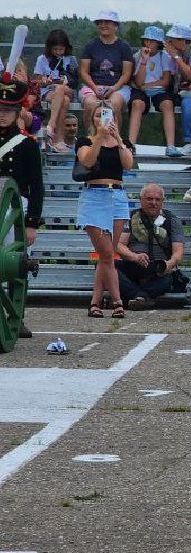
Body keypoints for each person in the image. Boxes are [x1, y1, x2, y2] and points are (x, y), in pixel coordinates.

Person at [75, 109, 135, 317]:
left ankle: (95, 302)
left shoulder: (122, 142)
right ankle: (118, 301)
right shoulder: (85, 141)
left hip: (117, 195)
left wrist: (117, 138)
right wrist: (100, 137)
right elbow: (88, 161)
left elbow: (128, 164)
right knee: (107, 253)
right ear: (92, 119)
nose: (103, 118)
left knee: (106, 255)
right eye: (98, 115)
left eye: (107, 114)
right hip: (94, 195)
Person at [0, 73, 42, 336]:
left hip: (12, 210)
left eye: (7, 111)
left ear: (18, 113)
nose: (2, 115)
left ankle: (16, 313)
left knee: (11, 263)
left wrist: (31, 223)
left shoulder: (27, 145)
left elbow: (37, 186)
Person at [115, 183, 185, 308]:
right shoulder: (130, 218)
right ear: (140, 200)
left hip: (158, 269)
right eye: (149, 199)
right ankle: (141, 297)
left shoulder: (172, 220)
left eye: (157, 199)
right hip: (134, 264)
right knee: (106, 266)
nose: (153, 203)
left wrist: (169, 264)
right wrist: (135, 257)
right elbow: (119, 245)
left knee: (167, 280)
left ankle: (133, 297)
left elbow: (178, 253)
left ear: (163, 201)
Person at [79, 10, 135, 137]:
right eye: (100, 22)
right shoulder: (90, 46)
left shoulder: (124, 47)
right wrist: (94, 87)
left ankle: (113, 140)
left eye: (107, 22)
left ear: (115, 25)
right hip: (93, 85)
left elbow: (126, 74)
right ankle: (91, 139)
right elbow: (84, 71)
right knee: (90, 104)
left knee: (114, 104)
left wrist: (114, 88)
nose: (103, 25)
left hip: (118, 87)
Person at [128, 26, 178, 151]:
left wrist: (148, 85)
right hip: (141, 91)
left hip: (159, 90)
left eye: (152, 41)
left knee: (168, 104)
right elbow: (139, 82)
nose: (148, 43)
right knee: (137, 104)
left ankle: (171, 145)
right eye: (146, 40)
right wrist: (144, 61)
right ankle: (131, 144)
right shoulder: (138, 56)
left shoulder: (164, 56)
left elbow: (165, 81)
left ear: (158, 43)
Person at [33, 29, 79, 146]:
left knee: (60, 88)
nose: (58, 52)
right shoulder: (42, 59)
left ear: (66, 48)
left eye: (61, 49)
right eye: (55, 49)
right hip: (48, 91)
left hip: (67, 89)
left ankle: (51, 124)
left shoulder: (71, 59)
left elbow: (75, 82)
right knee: (64, 100)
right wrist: (44, 80)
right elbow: (37, 81)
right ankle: (58, 140)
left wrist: (64, 81)